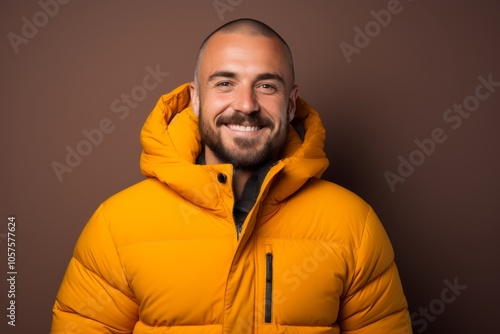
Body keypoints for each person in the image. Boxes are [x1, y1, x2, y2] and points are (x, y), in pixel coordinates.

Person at [51, 18, 412, 333]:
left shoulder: (354, 225)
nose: (246, 104)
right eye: (225, 83)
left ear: (290, 104)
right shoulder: (117, 226)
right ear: (195, 99)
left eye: (266, 85)